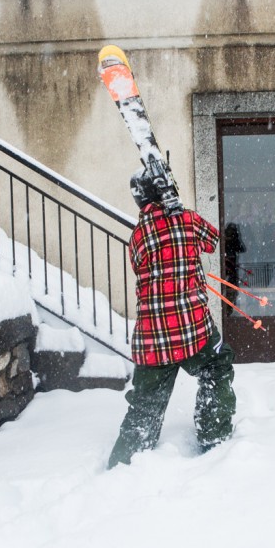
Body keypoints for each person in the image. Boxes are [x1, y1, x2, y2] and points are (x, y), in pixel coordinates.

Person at [107, 170, 236, 469]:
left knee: (145, 405)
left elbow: (139, 265)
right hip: (194, 330)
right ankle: (214, 437)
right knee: (217, 366)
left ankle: (124, 463)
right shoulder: (188, 220)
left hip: (154, 339)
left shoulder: (138, 235)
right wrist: (179, 212)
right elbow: (213, 239)